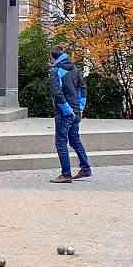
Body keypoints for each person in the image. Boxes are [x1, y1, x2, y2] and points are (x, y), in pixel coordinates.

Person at [49, 47, 92, 184]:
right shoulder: (75, 69)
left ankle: (66, 174)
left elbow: (57, 93)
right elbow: (83, 89)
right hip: (77, 111)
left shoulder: (56, 71)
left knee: (61, 142)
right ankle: (85, 168)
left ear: (53, 58)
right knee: (74, 139)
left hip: (64, 113)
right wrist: (80, 108)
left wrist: (67, 110)